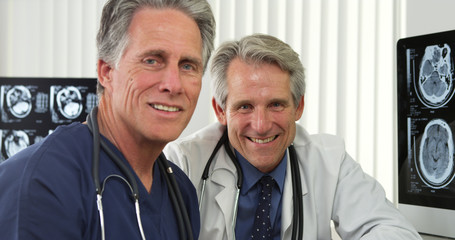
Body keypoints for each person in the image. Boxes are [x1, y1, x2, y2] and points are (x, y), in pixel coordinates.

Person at [164, 34, 422, 239]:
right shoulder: (181, 164)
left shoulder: (329, 161)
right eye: (245, 107)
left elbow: (396, 232)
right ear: (221, 110)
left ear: (298, 107)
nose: (261, 125)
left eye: (276, 104)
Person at [0, 0, 215, 239]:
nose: (173, 85)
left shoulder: (181, 192)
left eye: (188, 66)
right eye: (152, 60)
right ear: (106, 72)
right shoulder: (41, 181)